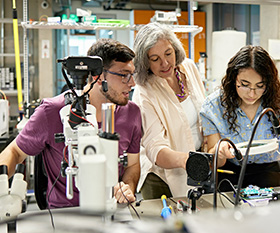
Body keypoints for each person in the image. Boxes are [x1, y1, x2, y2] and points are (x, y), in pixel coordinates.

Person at [0, 38, 142, 208]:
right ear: (98, 76)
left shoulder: (132, 113)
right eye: (124, 75)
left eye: (132, 75)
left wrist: (127, 189)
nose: (132, 84)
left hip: (110, 209)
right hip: (63, 213)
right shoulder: (51, 111)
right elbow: (15, 151)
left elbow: (132, 165)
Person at [200, 45, 280, 191]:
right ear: (233, 78)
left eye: (260, 86)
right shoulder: (214, 106)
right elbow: (216, 161)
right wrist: (219, 151)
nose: (252, 94)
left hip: (268, 172)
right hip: (228, 172)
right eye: (244, 85)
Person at [132, 22, 206, 199]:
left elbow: (205, 114)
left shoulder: (188, 68)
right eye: (155, 59)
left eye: (168, 54)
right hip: (161, 178)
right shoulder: (144, 91)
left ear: (175, 49)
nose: (165, 63)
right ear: (145, 62)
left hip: (198, 168)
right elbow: (155, 147)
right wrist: (187, 160)